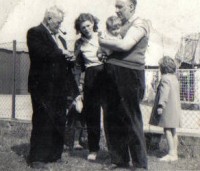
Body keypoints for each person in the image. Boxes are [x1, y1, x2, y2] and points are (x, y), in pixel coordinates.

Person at [26, 6, 79, 168]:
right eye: (58, 22)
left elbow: (60, 58)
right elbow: (40, 53)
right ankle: (37, 158)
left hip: (59, 87)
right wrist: (62, 53)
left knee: (58, 119)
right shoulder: (35, 32)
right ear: (49, 19)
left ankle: (54, 154)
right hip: (42, 86)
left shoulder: (60, 39)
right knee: (42, 120)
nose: (60, 25)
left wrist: (70, 58)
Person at [99, 0, 149, 169]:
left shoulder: (140, 23)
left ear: (131, 7)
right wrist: (104, 53)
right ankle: (118, 159)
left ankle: (139, 163)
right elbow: (113, 48)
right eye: (116, 6)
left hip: (129, 74)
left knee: (130, 117)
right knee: (112, 116)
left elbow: (124, 45)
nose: (117, 10)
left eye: (120, 6)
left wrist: (102, 42)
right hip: (112, 73)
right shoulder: (122, 25)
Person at [74, 13, 106, 161]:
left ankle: (115, 149)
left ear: (93, 23)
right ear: (79, 29)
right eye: (83, 27)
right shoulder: (79, 43)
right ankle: (93, 149)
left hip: (106, 74)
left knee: (111, 113)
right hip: (91, 76)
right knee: (92, 114)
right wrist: (78, 88)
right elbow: (78, 66)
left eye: (88, 25)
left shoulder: (102, 36)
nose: (86, 29)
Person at [149, 56, 182, 162]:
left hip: (167, 108)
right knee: (173, 130)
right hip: (175, 108)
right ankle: (175, 152)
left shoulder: (165, 78)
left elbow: (164, 93)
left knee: (167, 129)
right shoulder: (174, 78)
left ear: (162, 68)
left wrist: (160, 106)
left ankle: (171, 153)